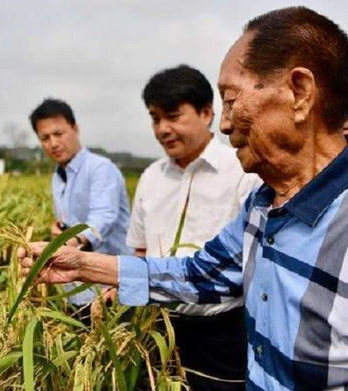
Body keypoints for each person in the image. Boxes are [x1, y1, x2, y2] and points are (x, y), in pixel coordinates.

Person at [20, 6, 348, 390]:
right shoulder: (262, 207)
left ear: (299, 92)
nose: (226, 124)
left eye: (231, 99)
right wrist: (81, 265)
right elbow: (197, 274)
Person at [124, 64, 261, 390]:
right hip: (157, 328)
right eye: (155, 118)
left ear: (206, 112)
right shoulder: (151, 177)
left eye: (173, 116)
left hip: (221, 332)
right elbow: (140, 249)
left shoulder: (242, 171)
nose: (162, 129)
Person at [29, 98, 131, 320]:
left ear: (75, 129)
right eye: (45, 138)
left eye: (59, 134)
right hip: (75, 290)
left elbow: (103, 217)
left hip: (108, 290)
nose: (53, 143)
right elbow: (70, 221)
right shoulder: (58, 176)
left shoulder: (100, 169)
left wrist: (67, 242)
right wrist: (60, 229)